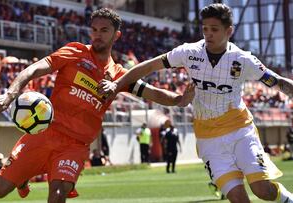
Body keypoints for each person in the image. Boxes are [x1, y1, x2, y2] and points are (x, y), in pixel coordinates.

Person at [0, 8, 195, 203]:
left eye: (104, 30)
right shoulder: (75, 52)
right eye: (94, 30)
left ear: (116, 36)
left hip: (75, 146)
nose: (98, 35)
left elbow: (154, 93)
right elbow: (34, 69)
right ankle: (25, 175)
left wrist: (179, 100)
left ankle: (32, 173)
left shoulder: (120, 76)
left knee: (57, 195)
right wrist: (10, 94)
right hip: (45, 132)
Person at [98, 3, 293, 203]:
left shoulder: (243, 60)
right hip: (208, 137)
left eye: (214, 30)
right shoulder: (189, 53)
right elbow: (149, 66)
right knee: (238, 198)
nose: (208, 34)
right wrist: (117, 84)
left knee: (263, 190)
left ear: (229, 31)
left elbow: (277, 81)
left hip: (239, 130)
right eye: (205, 29)